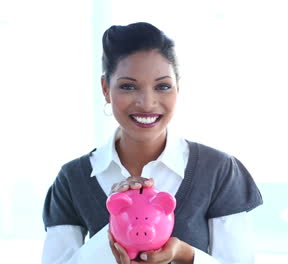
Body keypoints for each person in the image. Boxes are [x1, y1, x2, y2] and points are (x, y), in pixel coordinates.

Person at [42, 22, 263, 264]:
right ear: (106, 89)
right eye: (128, 86)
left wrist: (184, 254)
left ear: (178, 88)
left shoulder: (218, 170)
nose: (147, 102)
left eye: (162, 86)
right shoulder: (73, 179)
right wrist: (115, 235)